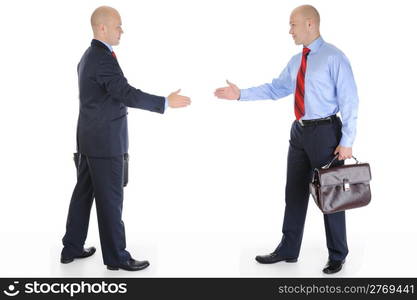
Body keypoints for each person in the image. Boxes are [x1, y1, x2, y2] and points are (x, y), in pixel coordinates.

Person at [214, 5, 359, 274]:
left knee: (331, 195)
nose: (289, 30)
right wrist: (240, 94)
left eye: (293, 24)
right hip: (300, 132)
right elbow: (276, 88)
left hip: (327, 133)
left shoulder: (333, 57)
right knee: (293, 192)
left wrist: (347, 140)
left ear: (310, 24)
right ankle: (288, 249)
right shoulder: (296, 61)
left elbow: (350, 100)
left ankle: (338, 254)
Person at [61, 6, 191, 271]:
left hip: (88, 140)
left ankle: (71, 248)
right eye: (118, 26)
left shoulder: (88, 56)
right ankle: (117, 258)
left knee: (82, 195)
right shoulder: (102, 58)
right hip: (105, 143)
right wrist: (164, 102)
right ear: (102, 28)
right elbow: (125, 93)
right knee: (110, 200)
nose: (122, 31)